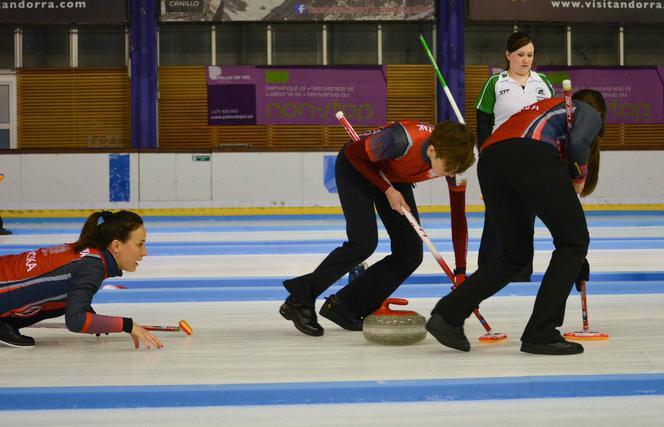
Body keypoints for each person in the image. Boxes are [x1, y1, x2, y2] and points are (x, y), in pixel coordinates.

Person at [427, 89, 607, 355]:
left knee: (515, 255)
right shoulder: (589, 113)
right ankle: (541, 332)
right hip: (530, 155)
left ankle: (448, 314)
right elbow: (579, 143)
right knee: (574, 242)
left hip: (490, 160)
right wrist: (578, 179)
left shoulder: (544, 107)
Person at [280, 120, 476, 336]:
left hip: (393, 173)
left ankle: (346, 305)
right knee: (363, 243)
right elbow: (353, 154)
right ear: (431, 150)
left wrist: (460, 271)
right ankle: (298, 301)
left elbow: (459, 218)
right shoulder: (399, 140)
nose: (450, 174)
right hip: (357, 166)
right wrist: (387, 190)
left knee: (410, 253)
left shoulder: (457, 166)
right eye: (447, 168)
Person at [0, 210, 163, 350]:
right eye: (140, 244)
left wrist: (96, 320)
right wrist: (127, 325)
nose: (145, 252)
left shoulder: (88, 252)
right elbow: (76, 321)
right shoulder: (92, 267)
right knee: (73, 307)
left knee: (67, 302)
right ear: (116, 246)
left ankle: (5, 324)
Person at [475, 31, 554, 282]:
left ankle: (521, 272)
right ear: (508, 55)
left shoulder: (543, 83)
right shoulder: (495, 83)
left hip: (533, 159)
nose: (525, 60)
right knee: (497, 215)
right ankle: (487, 270)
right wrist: (485, 155)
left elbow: (551, 121)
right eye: (520, 55)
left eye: (530, 55)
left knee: (525, 217)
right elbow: (483, 123)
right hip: (500, 159)